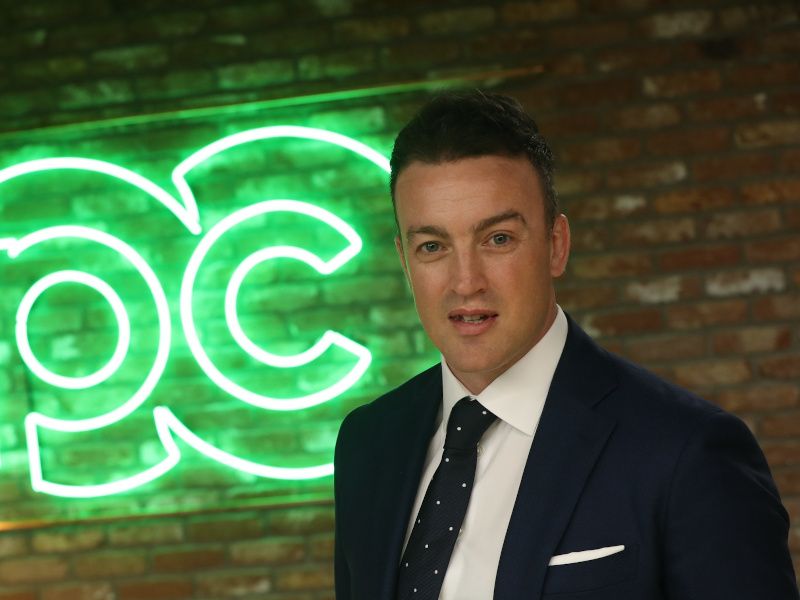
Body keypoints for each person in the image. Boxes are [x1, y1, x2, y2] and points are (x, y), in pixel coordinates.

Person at [333, 90, 798, 600]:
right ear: (405, 260)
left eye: (498, 239)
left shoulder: (686, 453)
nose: (465, 282)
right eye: (433, 247)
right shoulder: (368, 443)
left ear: (556, 245)